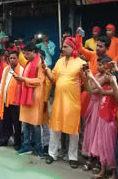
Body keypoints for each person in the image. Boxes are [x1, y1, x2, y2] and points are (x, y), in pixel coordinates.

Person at [44, 37, 86, 169]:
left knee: (73, 130)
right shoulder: (59, 61)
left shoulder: (81, 63)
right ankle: (52, 153)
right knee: (55, 128)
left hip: (73, 102)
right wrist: (46, 70)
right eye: (63, 46)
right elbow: (53, 79)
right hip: (58, 101)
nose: (63, 49)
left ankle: (73, 157)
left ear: (73, 48)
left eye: (66, 46)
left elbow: (84, 85)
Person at [13, 43, 46, 158]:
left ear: (33, 52)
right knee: (25, 124)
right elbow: (22, 59)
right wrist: (18, 49)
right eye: (24, 54)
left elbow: (39, 81)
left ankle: (38, 148)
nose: (25, 56)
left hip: (35, 98)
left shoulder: (40, 64)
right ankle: (26, 146)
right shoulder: (29, 62)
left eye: (27, 54)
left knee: (35, 125)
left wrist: (24, 79)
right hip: (26, 98)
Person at [86, 64, 117, 179]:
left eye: (110, 73)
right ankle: (103, 171)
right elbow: (93, 90)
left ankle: (114, 173)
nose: (108, 75)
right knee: (101, 144)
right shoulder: (107, 86)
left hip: (110, 120)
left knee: (109, 146)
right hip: (102, 118)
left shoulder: (114, 89)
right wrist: (89, 78)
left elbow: (101, 91)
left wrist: (92, 77)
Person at [81, 55, 111, 171]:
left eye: (100, 64)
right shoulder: (97, 75)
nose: (98, 67)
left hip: (100, 106)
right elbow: (89, 90)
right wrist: (87, 78)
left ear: (107, 65)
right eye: (97, 64)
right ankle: (90, 157)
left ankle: (99, 161)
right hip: (92, 105)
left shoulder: (107, 77)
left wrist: (90, 78)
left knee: (98, 134)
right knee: (90, 132)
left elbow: (97, 90)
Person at [0, 50, 23, 149]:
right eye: (10, 58)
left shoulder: (22, 70)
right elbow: (2, 83)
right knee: (5, 121)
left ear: (18, 59)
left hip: (16, 102)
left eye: (14, 58)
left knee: (16, 123)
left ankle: (17, 143)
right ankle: (4, 139)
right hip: (5, 100)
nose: (12, 60)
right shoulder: (6, 69)